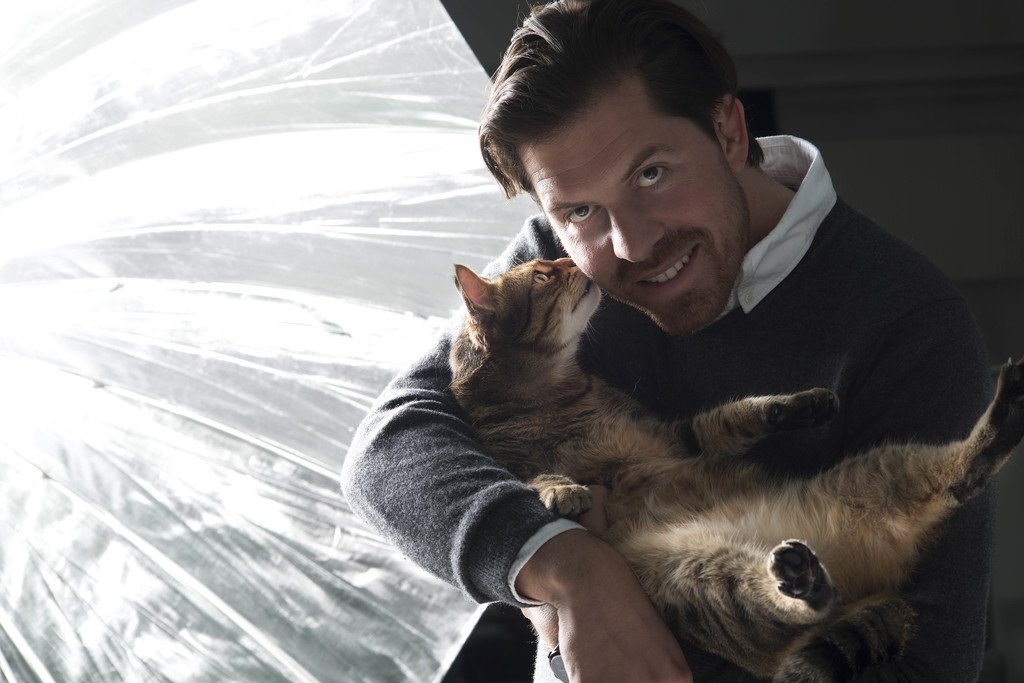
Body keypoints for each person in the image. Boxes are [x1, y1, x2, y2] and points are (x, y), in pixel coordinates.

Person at [341, 0, 995, 680]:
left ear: (729, 131)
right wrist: (569, 566)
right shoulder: (558, 267)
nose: (632, 245)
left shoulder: (910, 322)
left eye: (651, 174)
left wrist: (599, 627)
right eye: (580, 210)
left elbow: (927, 664)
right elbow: (390, 448)